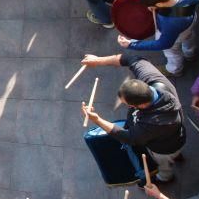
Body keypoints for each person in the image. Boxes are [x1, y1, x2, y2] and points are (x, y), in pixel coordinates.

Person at [80, 52, 187, 182]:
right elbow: (131, 58)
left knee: (163, 163)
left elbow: (130, 138)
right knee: (173, 154)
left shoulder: (156, 122)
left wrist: (97, 120)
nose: (127, 107)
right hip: (174, 136)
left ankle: (165, 177)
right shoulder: (153, 80)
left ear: (142, 104)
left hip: (163, 149)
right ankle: (177, 157)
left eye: (128, 105)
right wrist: (98, 60)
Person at [117, 0, 199, 77]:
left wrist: (132, 44)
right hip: (191, 20)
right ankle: (190, 54)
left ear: (159, 4)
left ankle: (174, 70)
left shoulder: (169, 22)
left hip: (177, 33)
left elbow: (163, 44)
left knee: (172, 51)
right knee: (189, 37)